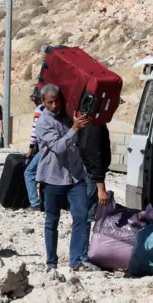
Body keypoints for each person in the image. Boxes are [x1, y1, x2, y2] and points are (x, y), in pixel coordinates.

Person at [35, 83, 99, 273]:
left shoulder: (68, 115)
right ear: (43, 102)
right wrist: (74, 129)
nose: (55, 106)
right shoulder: (43, 123)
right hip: (52, 178)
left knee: (80, 216)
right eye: (50, 103)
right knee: (51, 221)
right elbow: (59, 147)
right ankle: (52, 263)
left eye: (57, 101)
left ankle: (76, 260)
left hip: (76, 177)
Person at [78, 113, 112, 238]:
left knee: (85, 213)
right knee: (87, 214)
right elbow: (94, 155)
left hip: (89, 173)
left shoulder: (89, 121)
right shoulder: (94, 124)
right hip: (91, 175)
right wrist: (101, 188)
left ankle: (82, 251)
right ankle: (82, 252)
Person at [23, 86, 44, 211]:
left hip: (43, 147)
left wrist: (30, 147)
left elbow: (35, 131)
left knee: (29, 173)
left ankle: (35, 203)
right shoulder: (55, 109)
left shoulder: (40, 109)